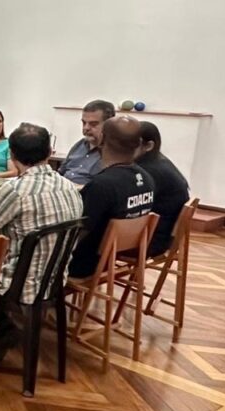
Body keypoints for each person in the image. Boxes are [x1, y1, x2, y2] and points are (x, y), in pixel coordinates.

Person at [0, 124, 83, 359]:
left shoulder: (15, 190)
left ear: (12, 154)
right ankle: (0, 329)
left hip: (14, 284)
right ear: (49, 151)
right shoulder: (71, 187)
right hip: (54, 279)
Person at [68, 116, 155, 279]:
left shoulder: (102, 186)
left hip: (84, 265)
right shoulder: (147, 178)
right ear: (138, 144)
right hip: (112, 259)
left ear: (101, 140)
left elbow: (77, 233)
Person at [136, 122, 189, 257]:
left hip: (152, 241)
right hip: (163, 236)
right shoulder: (159, 161)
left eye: (131, 143)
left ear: (148, 146)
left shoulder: (148, 171)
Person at [59, 99, 116, 186]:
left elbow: (107, 187)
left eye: (93, 124)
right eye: (84, 123)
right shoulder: (79, 145)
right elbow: (61, 172)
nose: (86, 128)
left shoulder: (113, 151)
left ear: (109, 124)